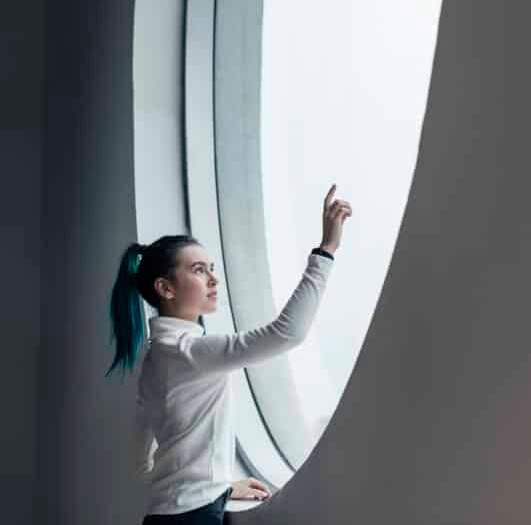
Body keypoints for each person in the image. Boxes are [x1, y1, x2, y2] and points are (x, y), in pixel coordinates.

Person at [106, 184, 352, 524]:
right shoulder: (190, 352)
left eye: (211, 267)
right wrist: (326, 250)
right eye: (198, 270)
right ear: (165, 288)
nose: (214, 279)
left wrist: (214, 487)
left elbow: (139, 460)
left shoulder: (157, 358)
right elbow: (287, 333)